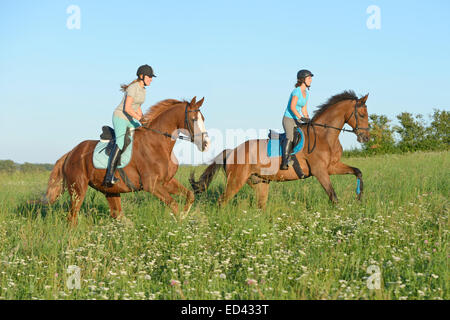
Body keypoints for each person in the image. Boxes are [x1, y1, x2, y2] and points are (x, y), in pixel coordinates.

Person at [102, 64, 156, 187]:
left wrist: (144, 121)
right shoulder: (133, 87)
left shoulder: (143, 90)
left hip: (131, 117)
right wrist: (139, 118)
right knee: (121, 142)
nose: (151, 79)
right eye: (149, 77)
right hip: (120, 117)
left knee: (143, 134)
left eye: (152, 77)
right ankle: (109, 176)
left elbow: (138, 107)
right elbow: (127, 108)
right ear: (142, 76)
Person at [280, 69, 313, 170]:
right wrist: (301, 117)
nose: (311, 80)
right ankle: (285, 161)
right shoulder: (296, 91)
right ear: (303, 80)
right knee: (290, 136)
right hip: (288, 119)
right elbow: (292, 107)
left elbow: (304, 108)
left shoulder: (306, 93)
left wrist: (308, 119)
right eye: (309, 78)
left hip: (297, 119)